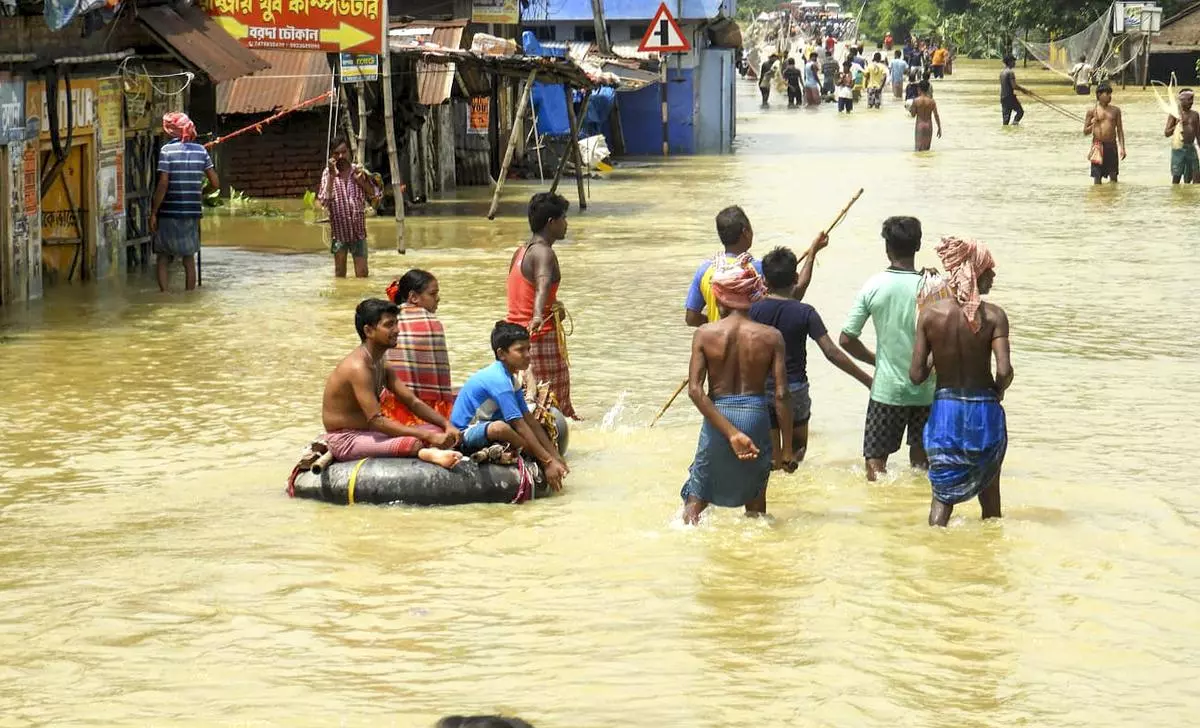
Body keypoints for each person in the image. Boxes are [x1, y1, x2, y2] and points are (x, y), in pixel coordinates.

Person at [681, 256, 792, 525]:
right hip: (756, 417)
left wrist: (730, 433)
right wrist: (786, 449)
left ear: (719, 299)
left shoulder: (705, 334)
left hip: (718, 417)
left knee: (697, 498)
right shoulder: (771, 336)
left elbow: (695, 391)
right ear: (751, 298)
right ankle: (754, 562)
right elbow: (781, 396)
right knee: (755, 504)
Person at [910, 237, 1012, 527]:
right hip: (984, 412)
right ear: (976, 272)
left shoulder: (930, 315)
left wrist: (937, 356)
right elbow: (1004, 370)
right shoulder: (994, 316)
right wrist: (997, 391)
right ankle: (988, 558)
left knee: (942, 494)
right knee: (990, 494)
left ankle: (934, 555)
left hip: (945, 413)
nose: (993, 276)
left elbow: (916, 375)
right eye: (989, 270)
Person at [751, 246, 872, 466]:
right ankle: (793, 470)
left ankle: (778, 484)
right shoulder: (805, 312)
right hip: (795, 388)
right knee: (798, 449)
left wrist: (813, 252)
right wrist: (867, 380)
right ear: (794, 278)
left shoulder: (753, 311)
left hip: (763, 388)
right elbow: (832, 352)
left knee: (772, 458)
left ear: (764, 281)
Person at [839, 216, 936, 481]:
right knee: (922, 463)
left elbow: (846, 339)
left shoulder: (873, 286)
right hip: (927, 390)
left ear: (887, 248)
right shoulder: (933, 288)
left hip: (887, 390)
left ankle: (880, 516)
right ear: (917, 245)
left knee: (875, 462)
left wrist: (876, 360)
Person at [320, 299, 462, 468]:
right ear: (369, 331)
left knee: (438, 431)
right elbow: (376, 421)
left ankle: (430, 449)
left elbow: (413, 402)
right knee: (412, 443)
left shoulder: (381, 363)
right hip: (346, 439)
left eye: (396, 324)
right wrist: (426, 436)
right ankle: (427, 453)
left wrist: (446, 424)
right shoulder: (358, 367)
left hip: (371, 433)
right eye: (389, 325)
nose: (397, 330)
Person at [450, 322, 569, 491]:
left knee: (532, 419)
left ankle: (537, 454)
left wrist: (556, 457)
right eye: (521, 350)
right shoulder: (499, 379)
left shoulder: (512, 380)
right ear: (501, 353)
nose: (528, 355)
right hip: (464, 433)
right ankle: (533, 454)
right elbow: (519, 424)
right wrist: (547, 461)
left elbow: (529, 420)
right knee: (501, 428)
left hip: (487, 422)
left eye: (529, 349)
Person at [685, 206, 824, 326]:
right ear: (745, 232)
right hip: (752, 348)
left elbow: (691, 318)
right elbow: (793, 295)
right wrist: (812, 252)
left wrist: (714, 323)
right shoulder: (757, 270)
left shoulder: (704, 271)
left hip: (716, 347)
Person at [505, 192, 577, 419]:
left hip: (514, 338)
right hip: (539, 339)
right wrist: (537, 315)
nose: (567, 224)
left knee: (530, 403)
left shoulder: (521, 251)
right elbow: (542, 284)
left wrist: (555, 305)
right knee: (556, 409)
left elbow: (525, 290)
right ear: (551, 222)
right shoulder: (544, 252)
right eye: (564, 218)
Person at [150, 112, 218, 293]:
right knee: (189, 259)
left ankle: (164, 295)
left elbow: (163, 183)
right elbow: (215, 183)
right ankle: (190, 295)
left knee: (163, 258)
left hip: (168, 212)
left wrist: (154, 212)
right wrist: (201, 194)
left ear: (171, 131)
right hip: (191, 212)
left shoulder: (166, 151)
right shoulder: (201, 151)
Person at [381, 269, 456, 426]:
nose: (438, 299)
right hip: (431, 413)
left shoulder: (387, 320)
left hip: (392, 410)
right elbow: (441, 382)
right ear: (413, 297)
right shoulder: (432, 323)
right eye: (433, 294)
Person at [318, 135, 380, 278]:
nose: (341, 156)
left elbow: (375, 195)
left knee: (362, 273)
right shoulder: (328, 174)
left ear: (350, 152)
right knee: (340, 273)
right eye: (337, 153)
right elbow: (324, 202)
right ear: (331, 156)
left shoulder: (359, 172)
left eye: (344, 152)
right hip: (339, 234)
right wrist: (332, 178)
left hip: (358, 232)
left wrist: (362, 183)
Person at [1084, 82, 1126, 184]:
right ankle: (1098, 198)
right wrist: (1093, 123)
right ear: (1099, 95)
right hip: (1097, 147)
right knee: (1097, 179)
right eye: (1107, 94)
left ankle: (1112, 198)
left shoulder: (1116, 110)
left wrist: (1122, 148)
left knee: (1113, 178)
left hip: (1111, 146)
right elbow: (1085, 132)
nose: (1109, 96)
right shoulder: (1092, 111)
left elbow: (1119, 130)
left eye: (1110, 94)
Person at [1164, 89, 1199, 185]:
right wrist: (1178, 124)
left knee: (1196, 176)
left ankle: (1191, 198)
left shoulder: (1195, 115)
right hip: (1178, 148)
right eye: (1189, 100)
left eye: (1192, 100)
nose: (1191, 102)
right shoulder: (1175, 115)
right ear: (1182, 101)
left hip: (1191, 148)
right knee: (1177, 177)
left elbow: (1198, 134)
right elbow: (1166, 133)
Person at [909, 80, 941, 152]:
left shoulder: (916, 101)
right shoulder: (932, 101)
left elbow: (913, 115)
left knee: (918, 150)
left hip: (920, 125)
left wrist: (911, 109)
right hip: (928, 126)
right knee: (927, 150)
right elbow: (936, 115)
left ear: (919, 89)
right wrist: (939, 127)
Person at [999, 55, 1027, 126]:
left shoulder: (1002, 73)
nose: (1015, 63)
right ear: (1010, 62)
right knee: (1020, 112)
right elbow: (1014, 86)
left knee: (1005, 120)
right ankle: (1014, 126)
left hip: (1003, 97)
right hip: (1010, 97)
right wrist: (1023, 90)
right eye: (1013, 61)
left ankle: (1007, 132)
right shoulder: (1010, 72)